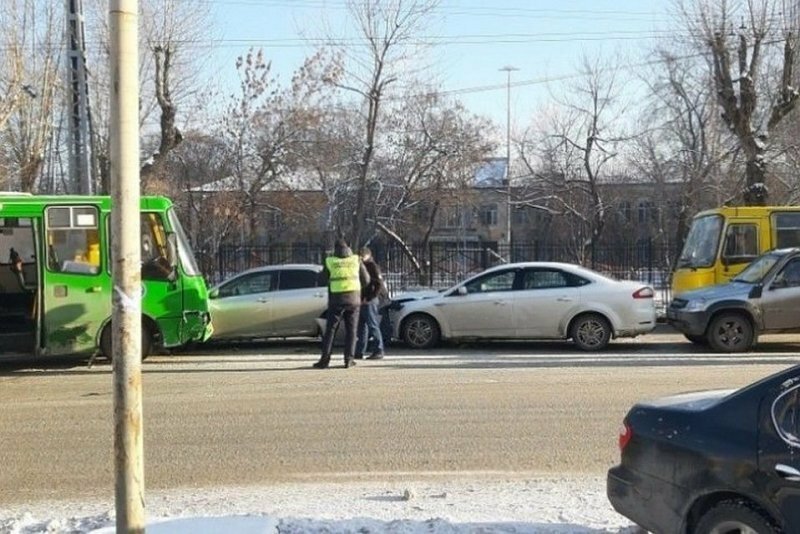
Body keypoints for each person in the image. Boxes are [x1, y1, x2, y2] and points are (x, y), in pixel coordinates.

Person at [314, 237, 370, 369]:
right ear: (348, 248)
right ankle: (349, 360)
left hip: (336, 300)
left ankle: (325, 360)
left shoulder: (330, 261)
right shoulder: (356, 260)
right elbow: (366, 280)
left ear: (335, 249)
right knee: (352, 331)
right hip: (354, 300)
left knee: (330, 331)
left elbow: (321, 280)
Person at [355, 246, 387, 360]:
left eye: (363, 255)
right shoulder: (362, 266)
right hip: (362, 299)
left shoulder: (372, 266)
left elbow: (378, 285)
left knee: (372, 325)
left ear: (369, 255)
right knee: (361, 327)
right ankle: (359, 351)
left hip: (369, 300)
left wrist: (369, 298)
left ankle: (379, 349)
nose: (361, 257)